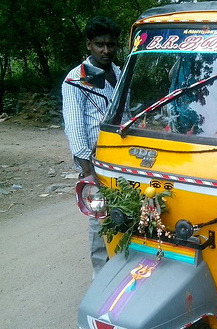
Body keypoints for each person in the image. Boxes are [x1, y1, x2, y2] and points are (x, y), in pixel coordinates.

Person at [62, 16, 121, 278]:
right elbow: (75, 130)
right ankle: (101, 278)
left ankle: (122, 270)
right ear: (89, 45)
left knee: (125, 216)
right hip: (95, 164)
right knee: (100, 219)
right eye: (100, 45)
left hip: (122, 159)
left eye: (111, 45)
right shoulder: (76, 80)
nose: (106, 50)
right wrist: (88, 174)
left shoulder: (120, 73)